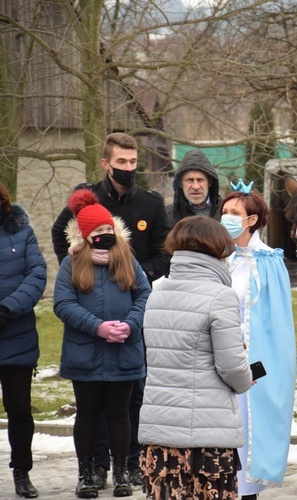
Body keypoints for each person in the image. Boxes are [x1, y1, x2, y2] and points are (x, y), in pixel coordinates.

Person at [50, 132, 171, 489]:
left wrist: (130, 278)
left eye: (134, 163)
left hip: (130, 312)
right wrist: (77, 267)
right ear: (106, 163)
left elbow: (164, 252)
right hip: (89, 328)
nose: (128, 169)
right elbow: (61, 234)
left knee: (129, 399)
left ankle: (129, 464)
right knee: (91, 409)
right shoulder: (87, 199)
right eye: (122, 163)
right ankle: (96, 466)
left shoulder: (149, 203)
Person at [138, 216, 253, 499]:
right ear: (218, 249)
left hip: (161, 433)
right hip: (208, 438)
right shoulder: (221, 296)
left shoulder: (156, 291)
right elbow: (231, 368)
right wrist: (247, 378)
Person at [53, 189, 151, 498]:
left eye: (108, 230)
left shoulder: (127, 259)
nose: (105, 235)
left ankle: (121, 471)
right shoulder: (71, 265)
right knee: (88, 415)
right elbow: (63, 304)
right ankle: (88, 473)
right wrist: (98, 327)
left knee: (120, 414)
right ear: (85, 235)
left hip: (124, 351)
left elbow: (144, 295)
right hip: (86, 356)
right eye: (98, 231)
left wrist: (130, 324)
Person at [220, 181, 297, 500]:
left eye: (234, 213)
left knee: (247, 428)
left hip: (250, 359)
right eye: (224, 212)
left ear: (251, 220)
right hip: (218, 357)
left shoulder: (268, 260)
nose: (226, 218)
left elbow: (275, 320)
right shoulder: (219, 257)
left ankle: (246, 492)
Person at [0, 181, 47, 499]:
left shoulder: (22, 230)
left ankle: (22, 472)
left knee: (19, 410)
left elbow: (37, 273)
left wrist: (7, 309)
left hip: (16, 336)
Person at [166, 149, 223, 226]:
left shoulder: (225, 211)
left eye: (200, 180)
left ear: (209, 183)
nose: (195, 187)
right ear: (180, 184)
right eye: (190, 180)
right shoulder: (167, 216)